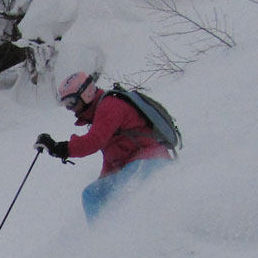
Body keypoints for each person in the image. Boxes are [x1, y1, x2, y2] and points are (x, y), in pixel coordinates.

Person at [36, 72, 173, 222]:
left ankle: (135, 232)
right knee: (92, 194)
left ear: (86, 94)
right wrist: (103, 179)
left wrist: (59, 148)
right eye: (65, 105)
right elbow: (111, 157)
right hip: (132, 167)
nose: (70, 109)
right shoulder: (99, 114)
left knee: (123, 195)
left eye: (71, 102)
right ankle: (101, 238)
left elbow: (94, 141)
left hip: (150, 161)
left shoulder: (110, 106)